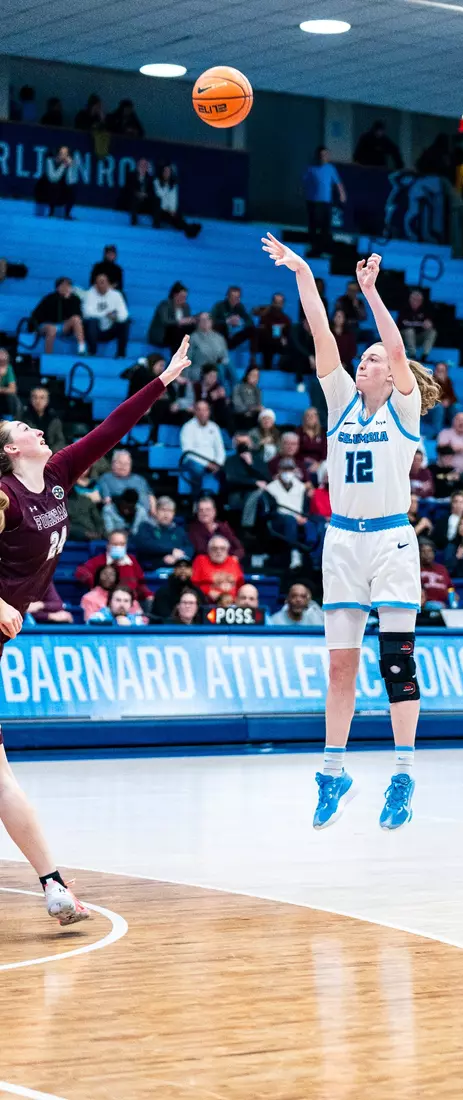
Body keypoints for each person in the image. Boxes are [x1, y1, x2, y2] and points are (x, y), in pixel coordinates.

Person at [0, 336, 190, 923]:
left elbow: (112, 428)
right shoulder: (3, 494)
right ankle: (54, 885)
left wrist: (163, 380)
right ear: (9, 451)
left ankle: (54, 884)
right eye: (25, 429)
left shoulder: (57, 474)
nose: (39, 430)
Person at [262, 233, 441, 829]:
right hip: (341, 540)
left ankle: (403, 776)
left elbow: (392, 343)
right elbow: (319, 332)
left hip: (391, 540)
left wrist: (371, 294)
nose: (365, 362)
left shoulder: (403, 406)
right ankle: (333, 774)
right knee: (341, 668)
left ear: (391, 375)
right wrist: (303, 273)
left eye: (373, 359)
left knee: (397, 662)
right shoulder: (339, 400)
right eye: (361, 358)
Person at [76, 529, 151, 604]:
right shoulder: (99, 561)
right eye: (115, 544)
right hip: (103, 602)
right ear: (108, 545)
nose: (118, 547)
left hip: (129, 603)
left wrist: (148, 595)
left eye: (122, 544)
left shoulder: (132, 561)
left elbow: (141, 584)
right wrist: (94, 583)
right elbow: (81, 571)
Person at [302, 147, 346, 257]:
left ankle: (324, 248)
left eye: (325, 155)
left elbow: (338, 183)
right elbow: (304, 183)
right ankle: (314, 248)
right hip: (313, 201)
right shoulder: (311, 168)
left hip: (325, 202)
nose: (323, 158)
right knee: (314, 225)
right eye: (321, 155)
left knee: (325, 226)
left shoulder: (330, 168)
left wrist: (342, 194)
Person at [180, 401, 226, 498]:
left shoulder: (214, 427)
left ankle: (220, 504)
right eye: (199, 410)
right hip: (193, 461)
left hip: (213, 462)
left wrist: (218, 463)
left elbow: (220, 449)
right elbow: (188, 452)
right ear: (195, 412)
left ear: (209, 411)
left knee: (228, 472)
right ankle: (197, 502)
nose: (202, 413)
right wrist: (206, 464)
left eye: (205, 410)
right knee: (197, 469)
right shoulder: (187, 427)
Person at [134, 497, 193, 569]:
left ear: (174, 513)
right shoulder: (146, 527)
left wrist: (177, 557)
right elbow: (145, 545)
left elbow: (189, 547)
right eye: (163, 510)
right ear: (156, 511)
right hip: (150, 569)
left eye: (170, 511)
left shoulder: (179, 530)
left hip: (175, 570)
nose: (166, 514)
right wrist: (171, 550)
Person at [31, 276, 85, 355]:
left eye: (68, 285)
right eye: (63, 285)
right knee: (52, 329)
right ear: (57, 287)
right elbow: (36, 314)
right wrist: (34, 328)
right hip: (47, 325)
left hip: (63, 326)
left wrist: (67, 300)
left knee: (76, 319)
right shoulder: (49, 298)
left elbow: (77, 314)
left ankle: (82, 349)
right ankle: (48, 356)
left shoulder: (75, 299)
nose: (65, 287)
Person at [82, 272, 130, 358]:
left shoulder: (116, 295)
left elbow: (124, 315)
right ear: (95, 284)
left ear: (108, 283)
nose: (101, 285)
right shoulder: (89, 294)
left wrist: (115, 317)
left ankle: (121, 354)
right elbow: (86, 313)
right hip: (94, 330)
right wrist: (106, 314)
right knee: (92, 321)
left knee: (124, 323)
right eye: (99, 282)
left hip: (110, 329)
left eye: (103, 282)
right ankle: (92, 352)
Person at [188, 497, 244, 562]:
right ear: (197, 513)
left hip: (227, 564)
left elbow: (239, 548)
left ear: (214, 511)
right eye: (201, 510)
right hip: (205, 564)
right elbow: (201, 550)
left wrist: (234, 557)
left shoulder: (223, 527)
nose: (204, 513)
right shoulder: (193, 529)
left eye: (207, 510)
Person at [97, 450, 154, 514]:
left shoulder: (140, 479)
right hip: (120, 516)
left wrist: (154, 512)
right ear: (112, 463)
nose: (123, 466)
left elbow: (151, 496)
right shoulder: (106, 478)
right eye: (120, 463)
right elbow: (107, 501)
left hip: (144, 515)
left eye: (126, 463)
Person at [150, 558, 206, 622]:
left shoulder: (198, 592)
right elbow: (164, 617)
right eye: (179, 566)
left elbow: (203, 614)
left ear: (191, 571)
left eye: (187, 566)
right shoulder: (163, 592)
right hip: (167, 630)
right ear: (174, 570)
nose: (183, 569)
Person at [192, 535, 245, 602]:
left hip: (232, 604)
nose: (218, 551)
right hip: (208, 603)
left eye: (222, 548)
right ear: (208, 550)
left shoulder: (233, 561)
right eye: (214, 548)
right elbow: (193, 585)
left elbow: (240, 585)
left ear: (227, 550)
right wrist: (207, 592)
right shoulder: (200, 560)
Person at [154, 164, 201, 238]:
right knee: (171, 218)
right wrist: (168, 209)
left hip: (170, 210)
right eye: (165, 171)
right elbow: (160, 195)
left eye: (169, 171)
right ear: (162, 172)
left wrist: (172, 210)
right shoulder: (156, 182)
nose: (167, 173)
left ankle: (189, 228)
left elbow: (173, 198)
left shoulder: (174, 183)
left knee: (177, 217)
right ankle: (190, 228)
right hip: (160, 209)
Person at [148, 282, 197, 351]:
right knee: (176, 331)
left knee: (192, 327)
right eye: (182, 296)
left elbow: (186, 321)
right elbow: (165, 321)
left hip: (178, 334)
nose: (184, 299)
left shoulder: (186, 307)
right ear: (175, 295)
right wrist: (179, 322)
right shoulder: (165, 305)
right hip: (163, 334)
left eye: (185, 297)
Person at [212, 286, 256, 354]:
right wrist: (227, 321)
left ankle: (253, 359)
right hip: (221, 335)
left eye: (237, 298)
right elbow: (211, 320)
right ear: (227, 296)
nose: (235, 300)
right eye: (232, 297)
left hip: (234, 336)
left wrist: (241, 322)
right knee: (220, 326)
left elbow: (250, 321)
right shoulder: (219, 305)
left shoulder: (240, 307)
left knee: (252, 329)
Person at [188, 312, 230, 383]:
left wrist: (222, 361)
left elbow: (225, 356)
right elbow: (187, 359)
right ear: (198, 323)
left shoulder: (219, 337)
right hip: (201, 369)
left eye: (208, 319)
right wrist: (186, 377)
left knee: (226, 366)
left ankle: (236, 388)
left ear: (211, 321)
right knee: (218, 372)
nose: (205, 322)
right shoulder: (192, 338)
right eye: (202, 320)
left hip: (217, 368)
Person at [397, 290, 437, 363]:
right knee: (409, 331)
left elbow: (430, 323)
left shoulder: (426, 309)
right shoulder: (404, 308)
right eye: (414, 299)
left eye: (418, 300)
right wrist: (420, 324)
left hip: (418, 336)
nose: (415, 302)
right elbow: (401, 324)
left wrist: (429, 324)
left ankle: (424, 355)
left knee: (432, 332)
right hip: (404, 337)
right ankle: (412, 355)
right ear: (410, 299)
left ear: (421, 301)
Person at [255, 293, 292, 371]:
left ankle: (286, 368)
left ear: (283, 304)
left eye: (280, 303)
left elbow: (288, 333)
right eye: (276, 302)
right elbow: (262, 332)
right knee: (268, 345)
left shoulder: (286, 319)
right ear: (272, 303)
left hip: (280, 344)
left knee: (291, 346)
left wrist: (285, 339)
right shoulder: (265, 316)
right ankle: (267, 369)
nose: (278, 305)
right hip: (267, 342)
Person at [437, 412, 463, 477]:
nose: (462, 423)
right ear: (453, 421)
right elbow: (443, 449)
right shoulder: (445, 433)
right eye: (459, 420)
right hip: (450, 473)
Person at [41, 146, 77, 219]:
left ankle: (67, 214)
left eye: (66, 154)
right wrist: (63, 166)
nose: (63, 156)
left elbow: (71, 181)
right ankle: (51, 212)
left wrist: (69, 167)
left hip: (62, 190)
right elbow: (53, 178)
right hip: (50, 188)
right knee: (53, 186)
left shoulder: (71, 162)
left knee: (72, 189)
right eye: (61, 154)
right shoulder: (50, 160)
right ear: (57, 154)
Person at [121, 158, 158, 227]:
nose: (143, 167)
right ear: (137, 166)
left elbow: (152, 192)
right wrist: (138, 193)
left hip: (145, 202)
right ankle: (134, 222)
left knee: (156, 200)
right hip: (134, 200)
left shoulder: (150, 178)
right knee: (134, 198)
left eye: (145, 165)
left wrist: (145, 195)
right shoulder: (131, 175)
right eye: (141, 165)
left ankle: (156, 224)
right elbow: (127, 189)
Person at [420, 540, 452, 607]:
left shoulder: (442, 568)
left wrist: (453, 594)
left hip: (443, 604)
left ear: (434, 553)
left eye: (429, 551)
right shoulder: (416, 569)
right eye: (423, 551)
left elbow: (450, 587)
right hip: (425, 605)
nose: (427, 554)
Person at [330, 309, 357, 374]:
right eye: (336, 316)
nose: (338, 318)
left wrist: (344, 363)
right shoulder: (328, 333)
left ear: (344, 319)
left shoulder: (349, 334)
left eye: (340, 317)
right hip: (331, 365)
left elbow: (352, 351)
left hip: (346, 364)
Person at [0, 349, 21, 420]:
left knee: (11, 397)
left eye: (4, 360)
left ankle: (10, 420)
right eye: (0, 361)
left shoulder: (8, 368)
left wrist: (2, 390)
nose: (3, 363)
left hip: (4, 399)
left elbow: (13, 389)